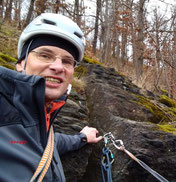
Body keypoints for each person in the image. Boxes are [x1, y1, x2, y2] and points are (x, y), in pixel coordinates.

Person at [0, 13, 103, 181]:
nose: (58, 67)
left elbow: (45, 140)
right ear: (21, 63)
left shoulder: (44, 122)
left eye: (67, 61)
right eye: (45, 55)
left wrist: (82, 138)